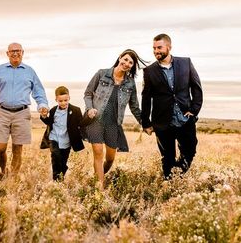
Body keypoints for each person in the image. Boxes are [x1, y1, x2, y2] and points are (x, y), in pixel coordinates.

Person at [0, 42, 49, 180]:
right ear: (7, 53)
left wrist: (42, 104)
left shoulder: (30, 71)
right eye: (12, 51)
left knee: (17, 149)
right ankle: (3, 171)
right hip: (3, 112)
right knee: (1, 148)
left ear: (22, 52)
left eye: (18, 50)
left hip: (22, 113)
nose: (15, 53)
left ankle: (12, 178)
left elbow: (39, 91)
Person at [141, 34, 203, 179]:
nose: (156, 51)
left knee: (190, 150)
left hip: (185, 118)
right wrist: (146, 122)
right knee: (167, 157)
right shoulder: (149, 71)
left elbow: (196, 88)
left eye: (159, 47)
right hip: (162, 121)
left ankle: (179, 175)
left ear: (169, 47)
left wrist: (194, 110)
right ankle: (169, 183)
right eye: (154, 48)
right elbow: (146, 98)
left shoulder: (185, 63)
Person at [84, 49, 146, 189]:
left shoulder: (130, 84)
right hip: (96, 120)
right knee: (98, 152)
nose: (127, 63)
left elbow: (135, 107)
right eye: (125, 59)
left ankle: (97, 177)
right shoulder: (101, 74)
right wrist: (89, 109)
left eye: (130, 62)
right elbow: (88, 94)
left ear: (132, 66)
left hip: (113, 124)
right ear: (120, 58)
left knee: (110, 159)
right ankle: (100, 189)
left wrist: (145, 123)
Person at [40, 86, 85, 181]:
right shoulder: (53, 110)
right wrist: (44, 117)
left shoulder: (76, 110)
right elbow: (49, 122)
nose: (63, 103)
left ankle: (61, 176)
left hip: (67, 141)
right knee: (55, 157)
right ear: (56, 99)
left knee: (63, 162)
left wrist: (89, 117)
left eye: (65, 100)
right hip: (54, 138)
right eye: (60, 101)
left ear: (69, 98)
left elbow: (81, 123)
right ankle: (56, 182)